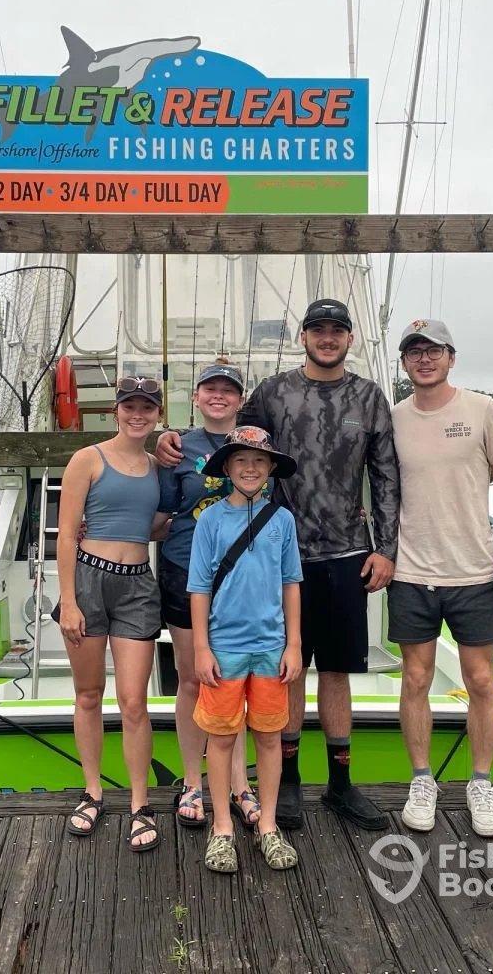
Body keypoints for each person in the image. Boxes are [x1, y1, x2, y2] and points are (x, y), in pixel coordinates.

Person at [158, 299, 400, 831]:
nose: (327, 338)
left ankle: (340, 783)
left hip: (347, 553)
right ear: (303, 336)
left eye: (337, 330)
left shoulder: (369, 396)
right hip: (280, 551)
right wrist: (169, 435)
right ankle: (287, 780)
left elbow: (385, 474)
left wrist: (386, 548)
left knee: (337, 670)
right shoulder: (272, 392)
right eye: (318, 329)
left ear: (350, 339)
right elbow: (228, 437)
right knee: (288, 668)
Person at [389, 319, 493, 838]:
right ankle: (421, 780)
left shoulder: (482, 409)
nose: (424, 359)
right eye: (414, 352)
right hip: (411, 571)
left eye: (434, 350)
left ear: (451, 356)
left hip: (474, 571)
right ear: (404, 362)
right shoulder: (394, 417)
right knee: (416, 679)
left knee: (481, 680)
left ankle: (481, 783)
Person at [56, 376, 170, 851]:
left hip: (138, 585)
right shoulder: (88, 459)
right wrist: (68, 601)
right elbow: (66, 535)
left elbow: (154, 526)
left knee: (134, 702)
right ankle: (93, 792)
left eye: (147, 407)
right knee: (88, 695)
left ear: (158, 414)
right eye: (130, 406)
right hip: (88, 580)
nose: (137, 414)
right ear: (116, 411)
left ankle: (140, 804)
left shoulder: (158, 467)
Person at [188, 426, 303, 872]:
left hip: (271, 648)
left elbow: (291, 583)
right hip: (225, 648)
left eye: (259, 460)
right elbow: (199, 587)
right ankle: (222, 828)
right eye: (240, 460)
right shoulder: (211, 520)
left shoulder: (283, 520)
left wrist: (293, 644)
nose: (250, 468)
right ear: (227, 468)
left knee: (270, 738)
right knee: (220, 739)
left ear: (271, 467)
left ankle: (268, 825)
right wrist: (202, 647)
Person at [157, 360, 260, 829]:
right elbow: (161, 513)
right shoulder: (178, 447)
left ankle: (238, 782)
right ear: (196, 397)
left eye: (228, 390)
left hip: (242, 577)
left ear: (241, 400)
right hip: (184, 570)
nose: (219, 396)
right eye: (210, 389)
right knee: (192, 679)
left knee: (234, 679)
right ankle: (192, 781)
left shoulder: (256, 444)